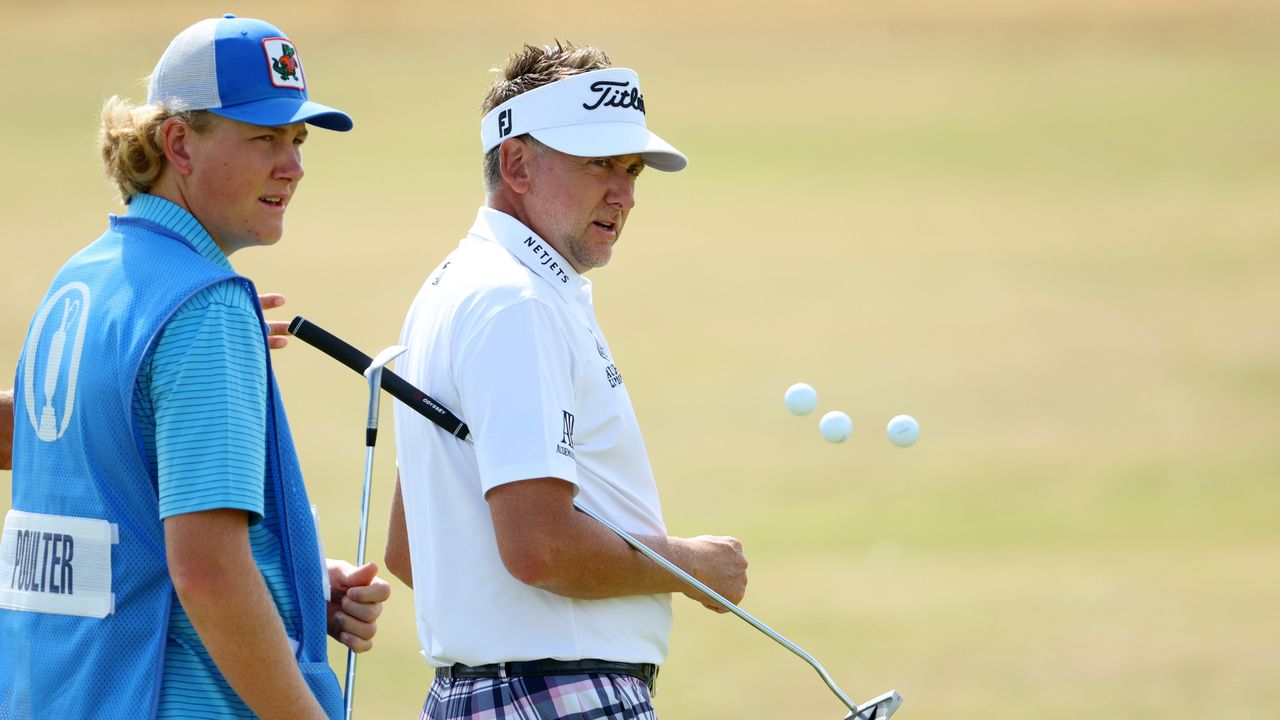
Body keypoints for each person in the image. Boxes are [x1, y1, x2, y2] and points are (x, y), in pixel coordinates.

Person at [0, 14, 389, 719]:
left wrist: (289, 584)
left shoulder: (83, 278)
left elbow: (117, 505)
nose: (293, 165)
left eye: (297, 140)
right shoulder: (202, 307)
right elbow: (208, 575)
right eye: (264, 137)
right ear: (178, 142)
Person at [387, 43, 748, 720]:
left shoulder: (457, 286)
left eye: (632, 168)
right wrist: (690, 566)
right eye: (598, 164)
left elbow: (412, 553)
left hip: (485, 697)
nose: (625, 194)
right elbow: (541, 548)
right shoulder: (517, 303)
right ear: (519, 163)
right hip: (555, 697)